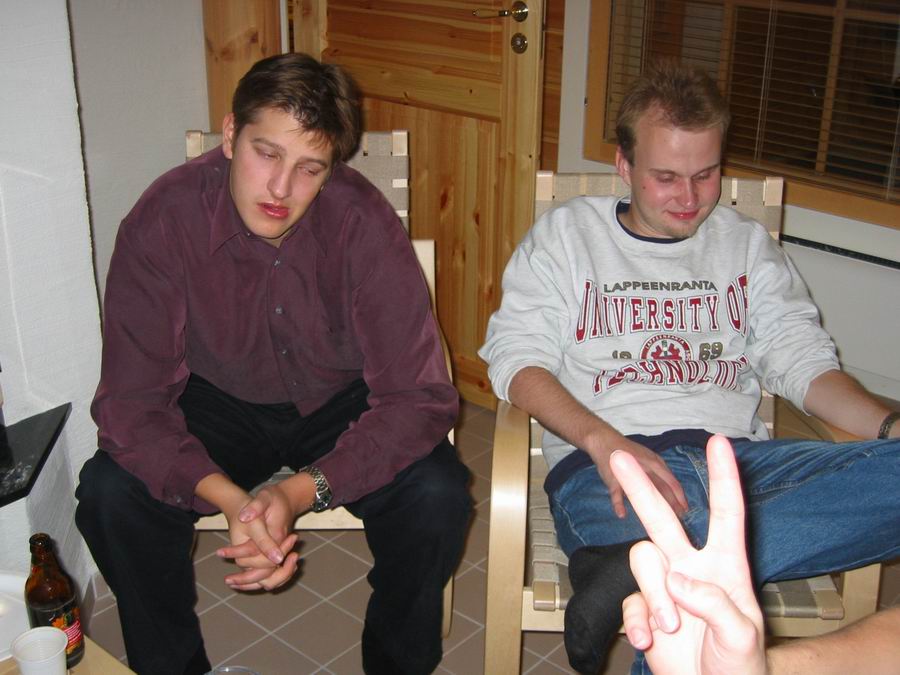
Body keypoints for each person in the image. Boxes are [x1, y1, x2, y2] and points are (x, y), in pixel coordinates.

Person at [478, 60, 900, 674]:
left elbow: (803, 363)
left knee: (667, 585)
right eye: (666, 177)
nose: (690, 198)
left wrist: (889, 428)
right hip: (610, 469)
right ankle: (657, 561)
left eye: (706, 175)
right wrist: (604, 442)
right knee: (682, 613)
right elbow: (516, 362)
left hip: (740, 467)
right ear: (624, 166)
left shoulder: (746, 246)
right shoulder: (566, 237)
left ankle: (637, 566)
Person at [75, 53, 472, 675]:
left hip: (342, 396)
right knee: (110, 495)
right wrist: (232, 501)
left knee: (438, 495)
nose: (281, 189)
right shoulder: (164, 218)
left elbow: (417, 398)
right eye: (266, 154)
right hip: (213, 396)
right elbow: (131, 404)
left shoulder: (363, 220)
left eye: (310, 168)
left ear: (332, 167)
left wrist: (296, 492)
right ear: (231, 134)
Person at [612, 434, 900, 675]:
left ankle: (664, 551)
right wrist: (598, 436)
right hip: (612, 463)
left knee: (656, 573)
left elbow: (812, 382)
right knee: (655, 581)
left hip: (752, 458)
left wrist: (889, 424)